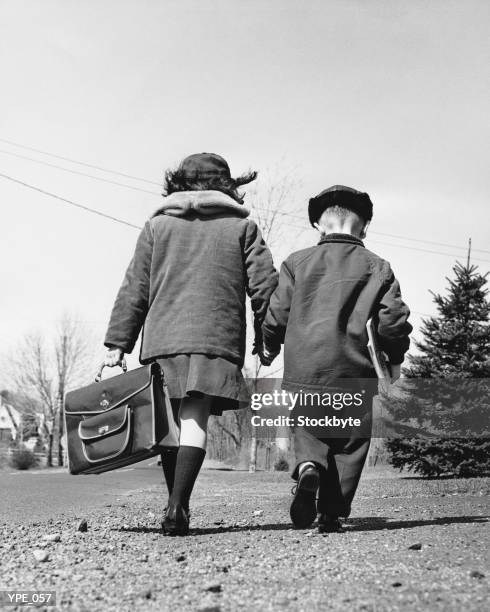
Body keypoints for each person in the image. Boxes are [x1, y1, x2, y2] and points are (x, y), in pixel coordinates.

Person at [103, 153, 278, 535]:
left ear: (178, 183)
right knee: (194, 419)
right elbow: (265, 288)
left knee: (169, 423)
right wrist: (268, 337)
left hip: (164, 339)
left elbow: (135, 288)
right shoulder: (242, 227)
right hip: (216, 338)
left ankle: (174, 504)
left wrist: (118, 343)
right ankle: (178, 505)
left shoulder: (158, 227)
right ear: (228, 186)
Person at [261, 185, 412, 532]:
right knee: (349, 442)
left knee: (309, 428)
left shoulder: (297, 262)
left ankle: (308, 468)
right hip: (355, 371)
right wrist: (395, 359)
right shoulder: (379, 267)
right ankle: (331, 511)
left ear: (318, 225)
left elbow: (277, 312)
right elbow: (393, 320)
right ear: (364, 227)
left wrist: (269, 345)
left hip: (307, 368)